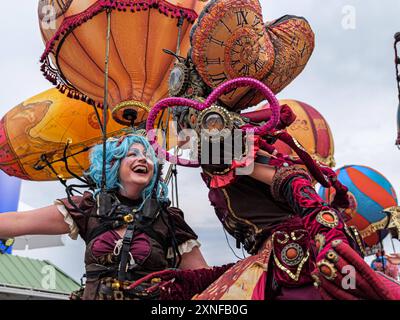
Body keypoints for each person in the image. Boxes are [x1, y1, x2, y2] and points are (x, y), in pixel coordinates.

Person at [0, 133, 230, 300]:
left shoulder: (168, 219)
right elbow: (20, 221)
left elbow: (204, 280)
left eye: (147, 156)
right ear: (113, 164)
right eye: (132, 154)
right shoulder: (89, 207)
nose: (143, 159)